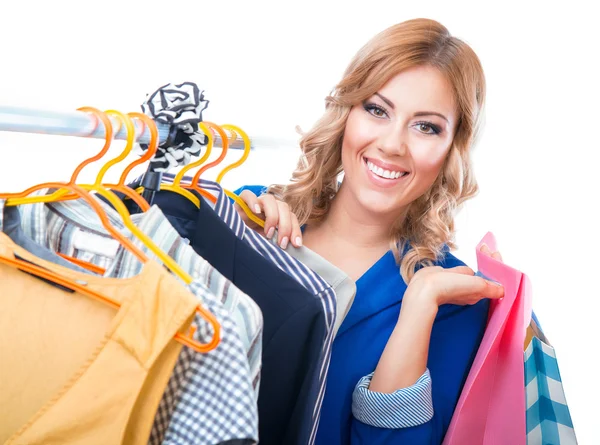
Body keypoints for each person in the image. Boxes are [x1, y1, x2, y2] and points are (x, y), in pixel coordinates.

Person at [233, 18, 505, 444]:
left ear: (454, 148)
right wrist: (235, 238)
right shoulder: (248, 216)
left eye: (426, 126)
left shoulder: (455, 304)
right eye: (377, 110)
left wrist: (416, 314)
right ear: (346, 113)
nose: (392, 144)